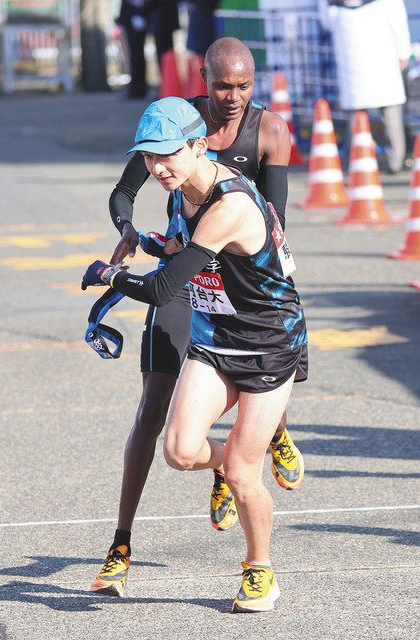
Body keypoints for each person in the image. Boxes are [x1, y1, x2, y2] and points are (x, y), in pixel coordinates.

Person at [89, 36, 305, 599]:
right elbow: (169, 249)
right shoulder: (181, 178)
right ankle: (228, 463)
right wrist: (144, 238)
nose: (157, 167)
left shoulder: (229, 199)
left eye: (167, 155)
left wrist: (112, 277)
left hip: (265, 338)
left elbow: (164, 285)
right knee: (180, 450)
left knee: (242, 471)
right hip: (213, 330)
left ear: (197, 146)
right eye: (151, 157)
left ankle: (259, 566)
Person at [318, 0, 411, 174]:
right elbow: (398, 20)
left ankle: (357, 162)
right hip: (384, 54)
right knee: (391, 113)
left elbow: (326, 20)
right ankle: (395, 161)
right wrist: (404, 52)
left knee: (356, 115)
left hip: (350, 55)